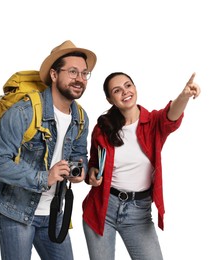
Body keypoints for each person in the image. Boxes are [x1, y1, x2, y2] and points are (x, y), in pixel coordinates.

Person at [0, 40, 97, 260]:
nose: (80, 79)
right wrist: (45, 177)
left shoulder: (81, 117)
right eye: (73, 71)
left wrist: (80, 169)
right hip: (15, 212)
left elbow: (78, 154)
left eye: (85, 73)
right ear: (54, 75)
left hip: (54, 213)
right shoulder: (23, 112)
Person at [82, 72, 201, 260]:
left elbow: (171, 116)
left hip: (139, 212)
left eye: (128, 86)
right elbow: (94, 164)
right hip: (103, 208)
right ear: (109, 99)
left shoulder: (153, 122)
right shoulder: (103, 127)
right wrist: (92, 173)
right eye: (117, 90)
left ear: (135, 88)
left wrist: (184, 96)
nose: (125, 92)